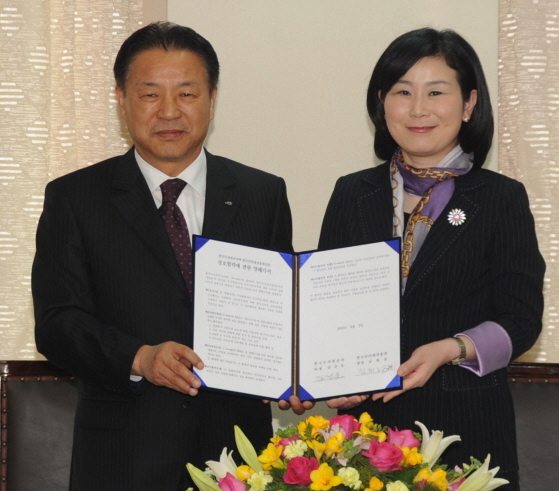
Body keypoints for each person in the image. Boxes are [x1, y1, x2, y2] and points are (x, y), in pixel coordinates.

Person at [32, 22, 304, 491]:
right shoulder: (75, 198)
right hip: (122, 458)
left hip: (239, 459)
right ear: (122, 101)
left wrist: (297, 369)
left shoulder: (263, 194)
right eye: (150, 94)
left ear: (212, 99)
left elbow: (281, 310)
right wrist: (138, 357)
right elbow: (57, 323)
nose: (170, 111)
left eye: (187, 93)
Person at [318, 28, 544, 491]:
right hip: (364, 439)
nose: (418, 108)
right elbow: (327, 305)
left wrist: (449, 349)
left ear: (468, 104)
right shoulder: (352, 192)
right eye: (402, 91)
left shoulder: (500, 198)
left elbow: (521, 321)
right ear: (382, 103)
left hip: (466, 432)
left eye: (436, 92)